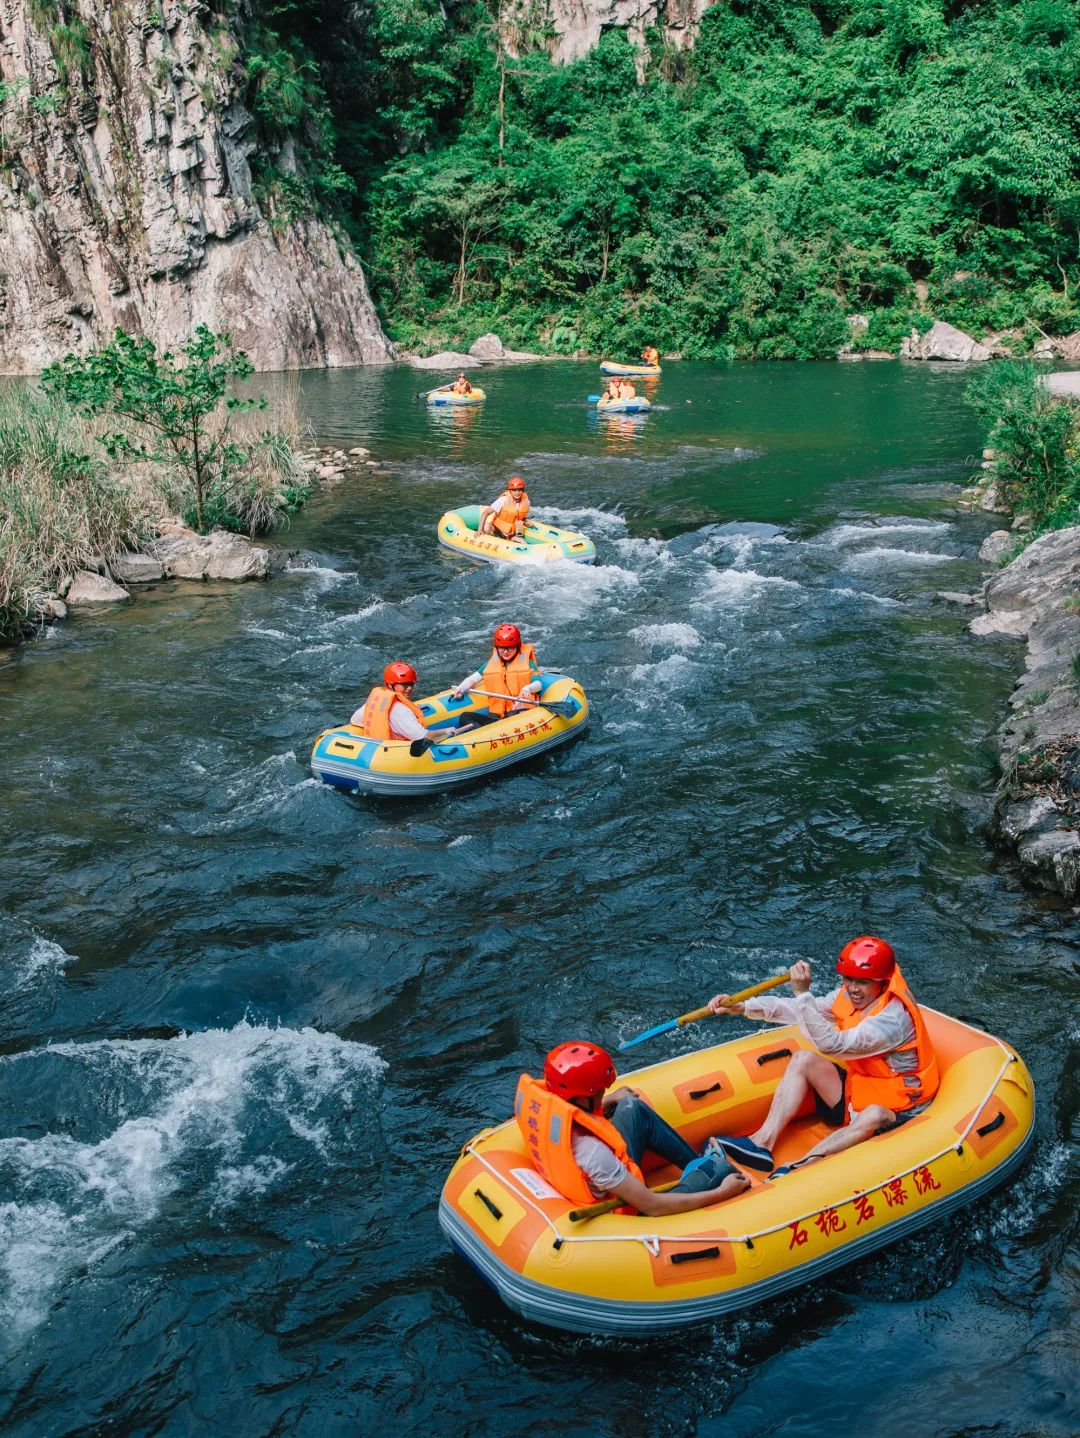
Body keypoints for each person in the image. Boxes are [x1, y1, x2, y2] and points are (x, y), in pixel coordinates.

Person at [706, 937, 939, 1179]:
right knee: (803, 1059)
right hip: (860, 1090)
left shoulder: (892, 1020)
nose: (852, 988)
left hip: (901, 1107)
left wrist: (802, 993)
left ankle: (800, 1167)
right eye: (848, 979)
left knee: (874, 1113)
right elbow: (803, 1011)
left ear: (883, 981)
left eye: (862, 982)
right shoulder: (849, 996)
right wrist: (744, 1007)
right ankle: (761, 1143)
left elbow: (831, 1044)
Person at [516, 1042, 750, 1216]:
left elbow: (579, 1117)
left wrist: (609, 1102)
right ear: (583, 1096)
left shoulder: (547, 1107)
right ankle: (710, 1169)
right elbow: (651, 1206)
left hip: (584, 1176)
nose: (603, 1094)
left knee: (631, 1107)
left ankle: (695, 1162)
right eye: (599, 1092)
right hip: (630, 1208)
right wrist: (723, 1192)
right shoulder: (594, 1154)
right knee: (721, 1169)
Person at [351, 661, 457, 743]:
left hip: (376, 747)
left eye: (411, 684)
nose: (409, 688)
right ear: (390, 685)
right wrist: (446, 731)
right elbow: (423, 737)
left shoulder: (379, 700)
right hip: (393, 755)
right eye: (404, 685)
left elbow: (355, 720)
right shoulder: (401, 711)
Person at [451, 623, 542, 718]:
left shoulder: (528, 663)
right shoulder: (492, 663)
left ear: (517, 646)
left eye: (510, 648)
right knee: (465, 717)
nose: (505, 652)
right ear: (497, 648)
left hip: (519, 710)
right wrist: (460, 689)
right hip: (497, 713)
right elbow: (473, 679)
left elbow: (538, 685)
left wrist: (528, 688)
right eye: (502, 648)